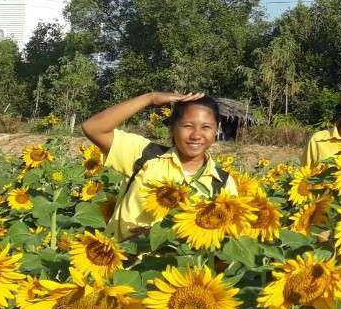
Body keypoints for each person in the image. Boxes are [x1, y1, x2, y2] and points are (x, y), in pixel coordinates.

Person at [82, 91, 238, 238]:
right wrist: (151, 97)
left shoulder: (222, 182)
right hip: (124, 255)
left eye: (206, 127)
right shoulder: (144, 154)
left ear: (216, 130)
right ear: (172, 128)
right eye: (188, 126)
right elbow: (93, 128)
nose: (196, 135)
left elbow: (227, 233)